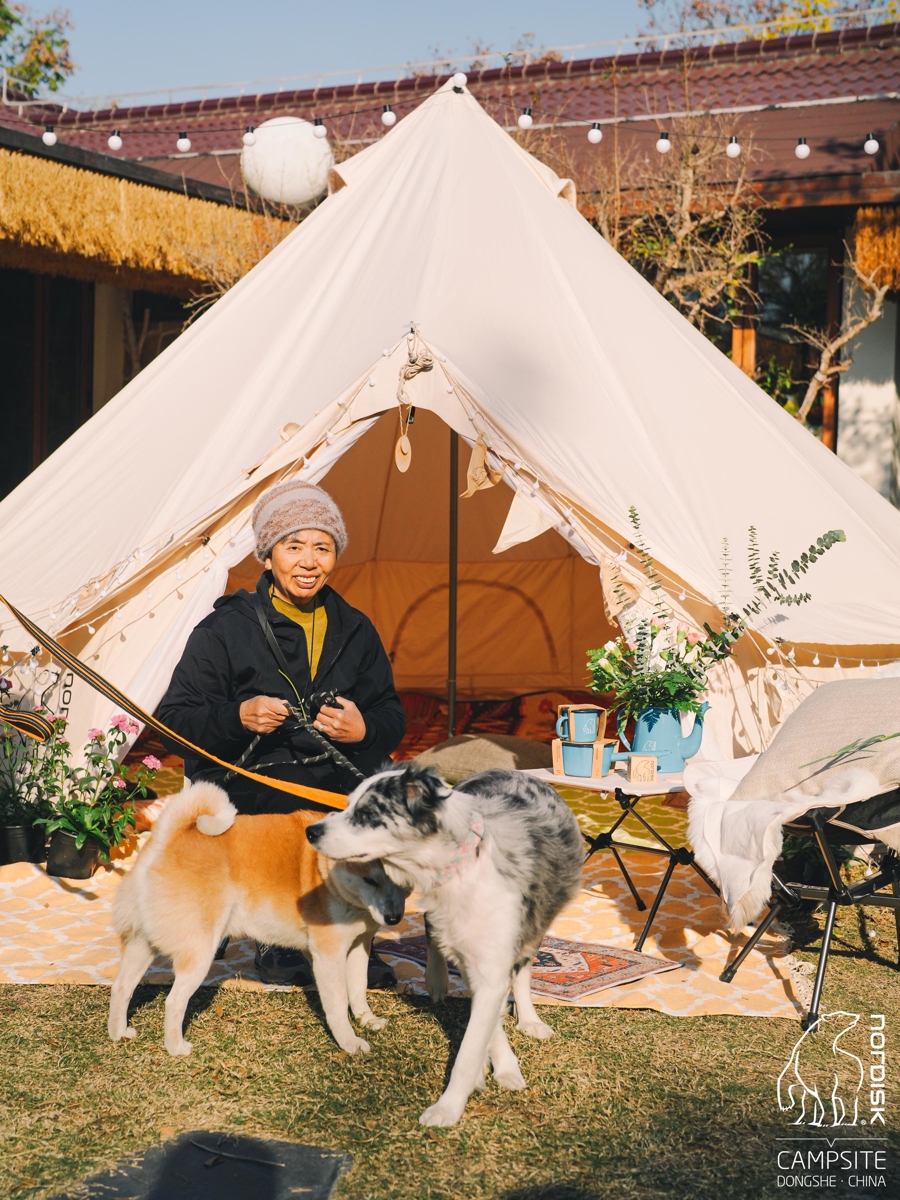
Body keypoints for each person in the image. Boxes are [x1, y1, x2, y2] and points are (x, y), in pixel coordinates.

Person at [158, 480, 406, 986]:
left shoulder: (355, 629)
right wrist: (238, 716)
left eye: (323, 547)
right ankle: (281, 936)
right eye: (294, 546)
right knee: (285, 808)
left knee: (379, 802)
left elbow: (391, 715)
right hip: (250, 777)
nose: (309, 561)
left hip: (332, 775)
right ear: (268, 556)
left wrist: (363, 729)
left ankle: (356, 933)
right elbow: (174, 721)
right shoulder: (225, 630)